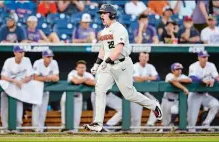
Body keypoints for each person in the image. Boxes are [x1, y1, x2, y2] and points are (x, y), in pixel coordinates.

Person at [83, 4, 162, 132]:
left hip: (122, 64)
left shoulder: (120, 29)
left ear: (112, 14)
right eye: (100, 13)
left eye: (104, 13)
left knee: (129, 95)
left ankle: (154, 106)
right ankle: (98, 123)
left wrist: (105, 62)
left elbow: (118, 51)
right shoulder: (103, 31)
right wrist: (97, 64)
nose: (101, 15)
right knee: (100, 89)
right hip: (108, 65)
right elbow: (103, 49)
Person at [0, 45, 33, 133]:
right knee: (5, 109)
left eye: (23, 52)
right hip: (7, 88)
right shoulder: (9, 61)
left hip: (18, 90)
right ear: (15, 52)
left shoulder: (26, 60)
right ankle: (5, 129)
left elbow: (30, 76)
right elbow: (3, 77)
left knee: (18, 115)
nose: (22, 54)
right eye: (20, 52)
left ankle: (17, 128)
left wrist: (21, 81)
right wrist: (15, 81)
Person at [60, 60, 96, 132]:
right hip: (67, 96)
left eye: (83, 67)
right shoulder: (72, 73)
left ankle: (74, 131)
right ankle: (64, 127)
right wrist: (85, 80)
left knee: (77, 116)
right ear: (76, 68)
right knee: (65, 113)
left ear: (85, 68)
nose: (81, 69)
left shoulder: (87, 74)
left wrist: (81, 80)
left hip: (78, 96)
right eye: (80, 67)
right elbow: (75, 81)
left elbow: (94, 82)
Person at [188, 51, 219, 132]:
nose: (205, 59)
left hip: (204, 94)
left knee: (216, 104)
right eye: (203, 57)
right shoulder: (193, 66)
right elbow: (192, 78)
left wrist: (214, 80)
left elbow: (216, 76)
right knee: (192, 121)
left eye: (206, 57)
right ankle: (190, 134)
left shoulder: (211, 65)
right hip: (194, 94)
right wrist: (203, 81)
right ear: (198, 58)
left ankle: (206, 124)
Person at [32, 49, 59, 132]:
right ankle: (35, 127)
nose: (50, 58)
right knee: (36, 107)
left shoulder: (54, 63)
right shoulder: (38, 62)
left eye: (51, 57)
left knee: (43, 109)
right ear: (43, 57)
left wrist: (44, 78)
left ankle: (41, 127)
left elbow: (57, 78)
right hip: (36, 88)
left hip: (46, 89)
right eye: (48, 57)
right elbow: (35, 77)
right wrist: (49, 77)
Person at [131, 52, 160, 132]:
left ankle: (149, 125)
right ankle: (133, 135)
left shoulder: (150, 67)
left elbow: (157, 78)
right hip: (135, 94)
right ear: (139, 57)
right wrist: (150, 78)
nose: (144, 58)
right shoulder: (134, 66)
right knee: (136, 119)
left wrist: (144, 78)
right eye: (142, 56)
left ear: (148, 58)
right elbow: (137, 79)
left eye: (146, 57)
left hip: (144, 93)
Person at [161, 63, 192, 127]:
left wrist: (178, 79)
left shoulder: (182, 76)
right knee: (165, 122)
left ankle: (172, 123)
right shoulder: (169, 75)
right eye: (177, 69)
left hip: (175, 101)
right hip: (166, 100)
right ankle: (166, 129)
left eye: (180, 69)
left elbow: (190, 80)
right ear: (172, 70)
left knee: (175, 110)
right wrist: (183, 88)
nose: (179, 71)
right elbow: (173, 81)